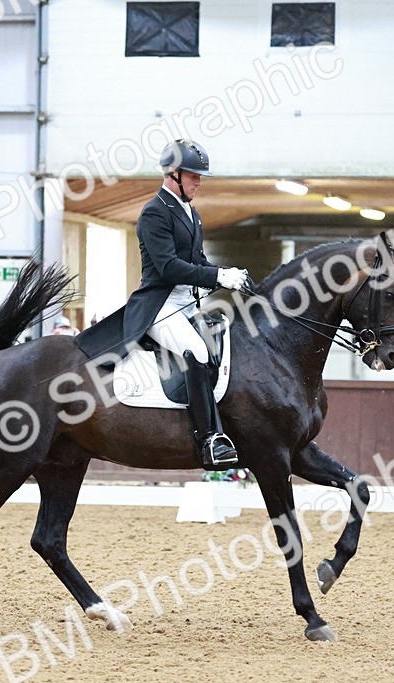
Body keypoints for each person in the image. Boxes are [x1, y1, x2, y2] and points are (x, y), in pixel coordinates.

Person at [125, 139, 249, 467]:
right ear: (173, 174)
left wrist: (229, 275)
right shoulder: (154, 212)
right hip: (160, 306)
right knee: (198, 351)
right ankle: (210, 438)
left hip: (187, 305)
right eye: (193, 175)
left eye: (199, 176)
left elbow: (198, 260)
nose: (199, 181)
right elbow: (167, 267)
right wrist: (217, 277)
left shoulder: (190, 213)